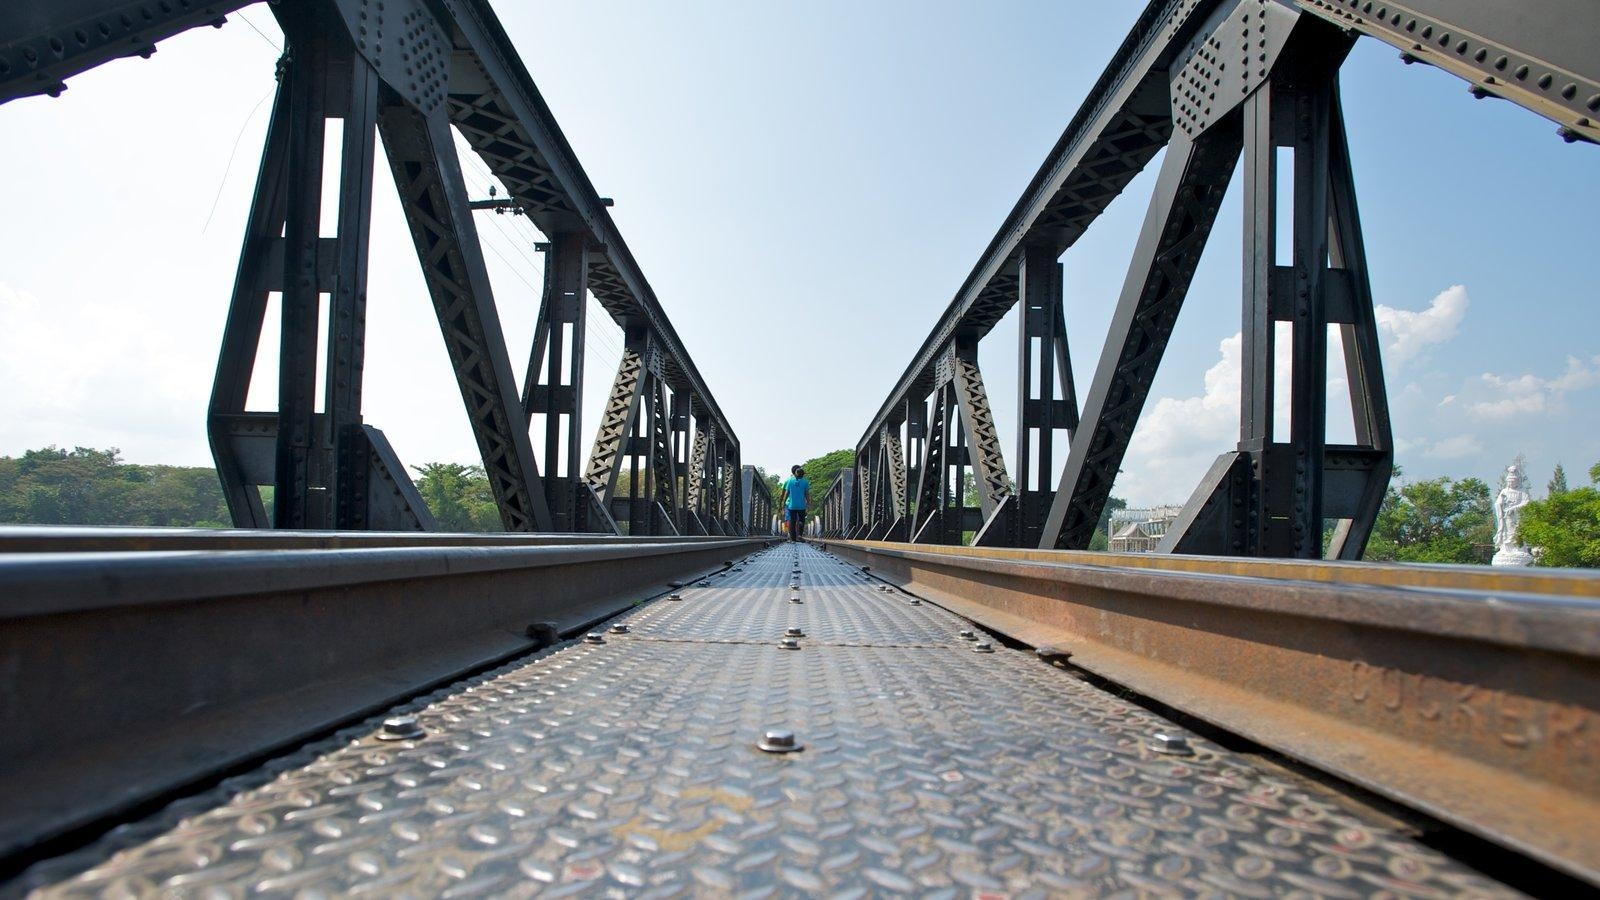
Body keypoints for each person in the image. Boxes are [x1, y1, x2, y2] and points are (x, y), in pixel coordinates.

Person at [781, 465, 810, 541]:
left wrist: (783, 503)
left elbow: (786, 493)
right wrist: (808, 505)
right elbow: (807, 494)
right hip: (801, 506)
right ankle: (800, 535)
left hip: (791, 506)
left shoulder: (790, 481)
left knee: (792, 522)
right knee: (801, 520)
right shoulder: (805, 482)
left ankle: (792, 538)